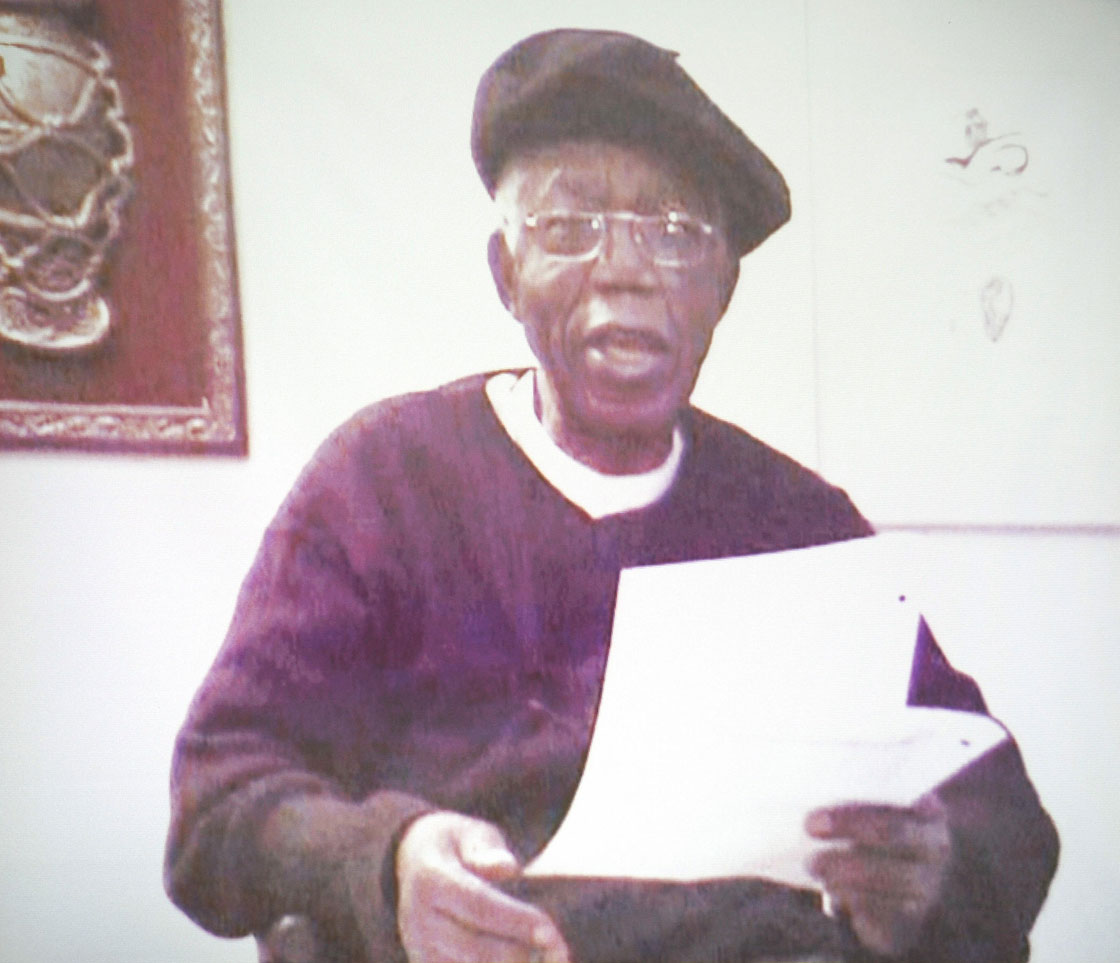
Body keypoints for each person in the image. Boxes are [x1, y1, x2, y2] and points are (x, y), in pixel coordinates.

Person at [165, 28, 1058, 963]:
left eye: (677, 234)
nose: (627, 268)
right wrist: (386, 860)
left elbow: (1007, 817)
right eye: (569, 226)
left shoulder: (801, 525)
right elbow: (217, 797)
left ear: (722, 288)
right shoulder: (382, 482)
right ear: (506, 275)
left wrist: (930, 874)